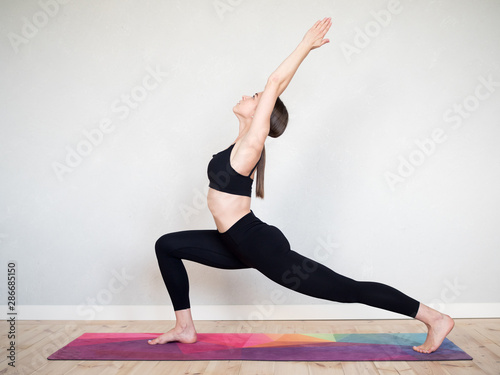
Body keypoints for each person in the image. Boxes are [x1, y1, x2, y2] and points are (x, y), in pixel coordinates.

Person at [149, 17, 454, 354]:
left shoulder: (253, 143)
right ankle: (185, 327)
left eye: (254, 97)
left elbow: (275, 82)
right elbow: (271, 91)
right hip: (233, 241)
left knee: (347, 289)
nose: (247, 96)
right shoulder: (239, 144)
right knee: (167, 245)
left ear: (262, 114)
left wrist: (305, 46)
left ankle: (434, 317)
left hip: (258, 244)